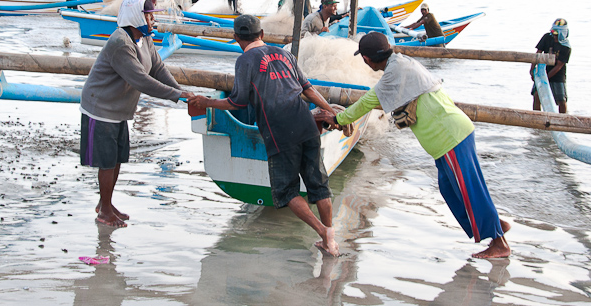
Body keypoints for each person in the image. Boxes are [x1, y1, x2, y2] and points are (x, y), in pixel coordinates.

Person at [323, 32, 510, 259]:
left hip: (450, 136)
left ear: (367, 59)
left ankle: (498, 242)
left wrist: (339, 119)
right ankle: (491, 221)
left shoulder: (394, 73)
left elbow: (368, 102)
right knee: (451, 190)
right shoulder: (400, 62)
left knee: (467, 190)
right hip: (448, 137)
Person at [188, 15, 342, 255]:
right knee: (319, 185)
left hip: (280, 131)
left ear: (237, 38)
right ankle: (331, 235)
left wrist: (208, 102)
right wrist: (333, 112)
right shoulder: (285, 54)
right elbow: (308, 90)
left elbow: (237, 102)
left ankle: (322, 232)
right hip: (306, 124)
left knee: (288, 191)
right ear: (261, 35)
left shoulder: (244, 60)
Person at [80, 0, 196, 226]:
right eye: (149, 15)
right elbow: (141, 80)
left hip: (119, 108)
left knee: (117, 158)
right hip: (101, 107)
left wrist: (182, 92)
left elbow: (158, 69)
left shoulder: (144, 39)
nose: (153, 19)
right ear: (135, 18)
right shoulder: (121, 43)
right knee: (107, 161)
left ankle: (106, 203)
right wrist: (177, 96)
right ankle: (104, 211)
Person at [531, 18, 571, 114]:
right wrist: (532, 69)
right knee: (537, 95)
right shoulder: (547, 37)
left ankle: (563, 119)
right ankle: (536, 118)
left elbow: (559, 66)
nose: (554, 36)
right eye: (553, 33)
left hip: (557, 75)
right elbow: (538, 54)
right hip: (542, 71)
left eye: (557, 34)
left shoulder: (566, 47)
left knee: (561, 99)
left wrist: (546, 78)